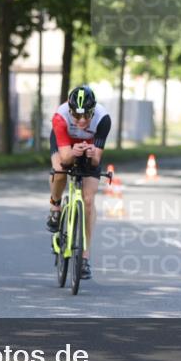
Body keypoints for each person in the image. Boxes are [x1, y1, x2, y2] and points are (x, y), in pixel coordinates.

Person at [46, 85, 111, 279]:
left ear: (93, 110)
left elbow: (96, 161)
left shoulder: (103, 119)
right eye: (76, 116)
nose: (82, 121)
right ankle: (55, 206)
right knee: (60, 173)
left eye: (86, 116)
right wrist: (73, 154)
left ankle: (84, 257)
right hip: (65, 144)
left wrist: (91, 155)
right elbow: (65, 159)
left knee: (89, 201)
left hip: (89, 148)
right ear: (69, 110)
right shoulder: (60, 116)